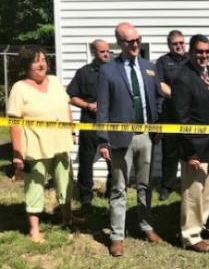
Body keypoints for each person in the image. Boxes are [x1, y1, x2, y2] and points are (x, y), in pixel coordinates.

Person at [97, 22, 164, 257]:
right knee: (119, 188)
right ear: (119, 42)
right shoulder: (108, 70)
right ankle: (117, 236)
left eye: (137, 39)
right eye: (129, 41)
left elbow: (157, 98)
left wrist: (157, 123)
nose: (135, 44)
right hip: (119, 138)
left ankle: (146, 225)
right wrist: (103, 139)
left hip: (145, 136)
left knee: (146, 185)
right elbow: (102, 107)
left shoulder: (149, 67)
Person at [8, 45, 84, 243]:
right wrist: (17, 153)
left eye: (43, 60)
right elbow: (14, 124)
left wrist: (72, 130)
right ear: (27, 65)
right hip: (35, 147)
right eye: (36, 61)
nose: (42, 64)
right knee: (35, 186)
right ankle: (34, 229)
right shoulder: (19, 88)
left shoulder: (56, 81)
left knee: (65, 181)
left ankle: (68, 217)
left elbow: (65, 105)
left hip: (61, 142)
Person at [171, 34, 209, 253]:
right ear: (191, 52)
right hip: (195, 148)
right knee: (193, 193)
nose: (204, 56)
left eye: (207, 52)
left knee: (207, 192)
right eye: (200, 51)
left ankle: (200, 226)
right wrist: (191, 153)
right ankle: (190, 236)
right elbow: (181, 119)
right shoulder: (183, 78)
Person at [67, 39, 113, 209]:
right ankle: (86, 196)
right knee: (86, 160)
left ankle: (112, 192)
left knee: (113, 160)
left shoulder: (115, 71)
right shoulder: (83, 73)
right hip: (90, 123)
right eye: (102, 51)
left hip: (111, 124)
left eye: (108, 51)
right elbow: (71, 96)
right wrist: (87, 105)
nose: (107, 54)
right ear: (94, 52)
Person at [155, 30, 189, 201]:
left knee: (190, 150)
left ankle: (188, 186)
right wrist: (177, 96)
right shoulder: (162, 62)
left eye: (182, 43)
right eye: (175, 43)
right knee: (170, 153)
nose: (179, 46)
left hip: (190, 115)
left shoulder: (191, 59)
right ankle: (167, 186)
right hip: (170, 114)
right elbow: (159, 84)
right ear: (169, 45)